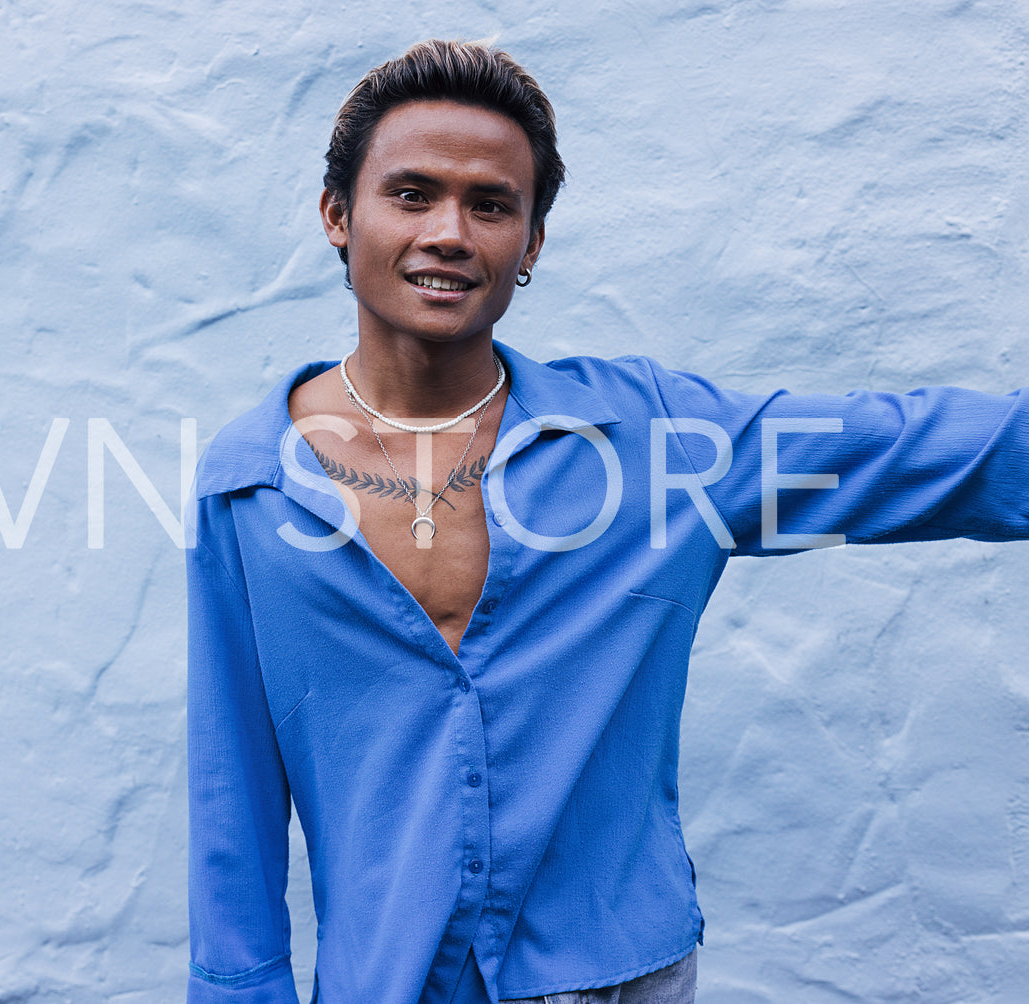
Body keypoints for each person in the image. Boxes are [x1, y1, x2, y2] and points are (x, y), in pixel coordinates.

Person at [184, 39, 1029, 1004]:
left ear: (530, 244)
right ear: (339, 215)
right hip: (387, 978)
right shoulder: (250, 486)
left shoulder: (658, 444)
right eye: (411, 194)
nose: (450, 232)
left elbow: (931, 451)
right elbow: (232, 786)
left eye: (491, 204)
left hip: (618, 975)